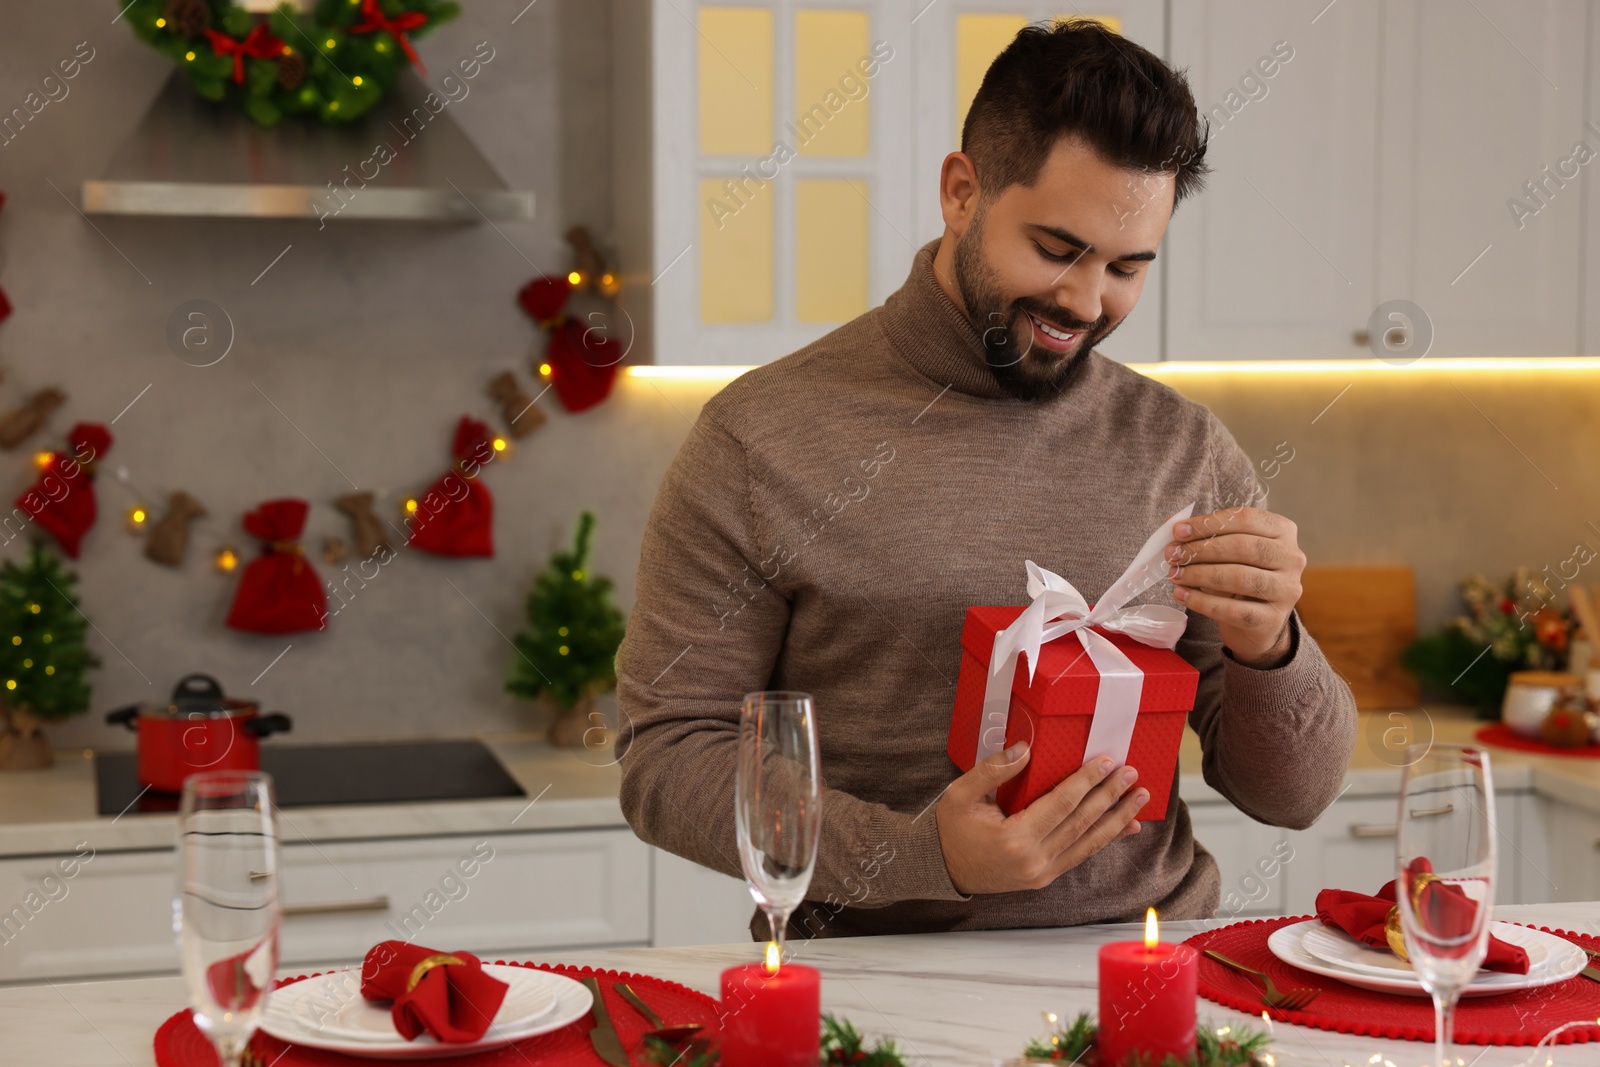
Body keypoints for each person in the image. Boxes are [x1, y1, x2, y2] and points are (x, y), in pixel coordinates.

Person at [616, 19, 1357, 939]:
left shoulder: (1185, 449)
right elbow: (667, 758)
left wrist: (1271, 647)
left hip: (1154, 971)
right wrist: (924, 854)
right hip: (872, 993)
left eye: (1127, 268)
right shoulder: (759, 438)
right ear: (962, 193)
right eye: (1057, 249)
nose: (1086, 304)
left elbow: (1293, 797)